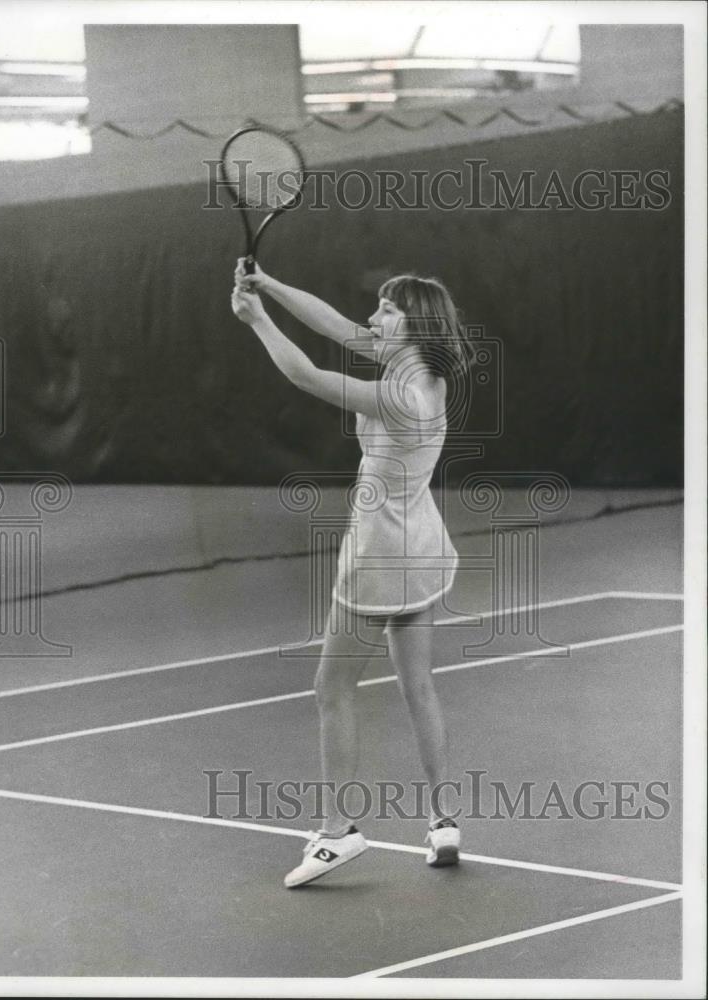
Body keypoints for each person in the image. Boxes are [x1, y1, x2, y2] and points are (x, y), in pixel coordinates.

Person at [231, 260, 474, 889]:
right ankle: (444, 819)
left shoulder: (399, 393)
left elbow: (305, 373)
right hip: (420, 547)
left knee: (330, 688)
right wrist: (272, 285)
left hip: (380, 556)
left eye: (387, 310)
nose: (372, 319)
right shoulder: (422, 373)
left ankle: (338, 834)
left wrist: (257, 321)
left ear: (414, 323)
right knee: (418, 686)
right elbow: (337, 326)